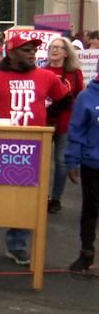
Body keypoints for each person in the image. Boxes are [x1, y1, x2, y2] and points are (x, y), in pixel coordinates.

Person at [0, 35, 69, 266]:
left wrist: (47, 120)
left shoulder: (47, 77)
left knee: (27, 200)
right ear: (10, 53)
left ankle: (17, 245)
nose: (32, 53)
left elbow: (64, 101)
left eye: (34, 50)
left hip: (34, 149)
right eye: (26, 50)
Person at [43, 37, 84, 214]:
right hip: (44, 121)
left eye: (58, 47)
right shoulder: (41, 70)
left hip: (65, 122)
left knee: (61, 162)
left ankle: (56, 198)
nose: (54, 50)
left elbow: (80, 95)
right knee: (41, 162)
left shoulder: (75, 73)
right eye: (52, 47)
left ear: (66, 52)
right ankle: (41, 196)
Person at [64, 73, 99, 271]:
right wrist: (72, 161)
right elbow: (76, 131)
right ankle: (86, 253)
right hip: (93, 164)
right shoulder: (87, 97)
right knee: (91, 210)